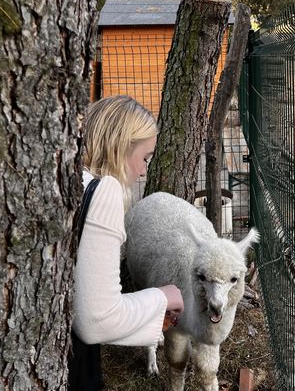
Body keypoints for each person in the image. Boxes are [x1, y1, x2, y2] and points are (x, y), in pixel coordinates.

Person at [70, 95, 184, 390]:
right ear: (121, 146)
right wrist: (164, 296)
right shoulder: (103, 189)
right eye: (144, 157)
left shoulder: (72, 179)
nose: (144, 170)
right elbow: (96, 320)